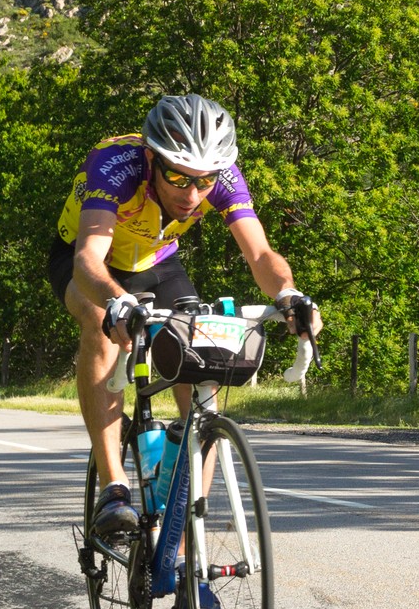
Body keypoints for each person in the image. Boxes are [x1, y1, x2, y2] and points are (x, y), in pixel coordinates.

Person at [53, 93, 319, 561]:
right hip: (93, 267)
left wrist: (288, 295)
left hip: (158, 264)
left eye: (204, 181)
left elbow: (260, 254)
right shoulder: (116, 164)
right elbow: (87, 259)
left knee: (206, 368)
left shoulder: (219, 174)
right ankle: (114, 487)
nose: (192, 194)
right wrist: (117, 302)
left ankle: (180, 541)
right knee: (100, 323)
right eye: (177, 176)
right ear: (152, 158)